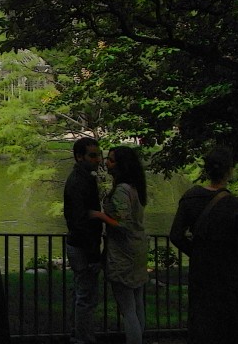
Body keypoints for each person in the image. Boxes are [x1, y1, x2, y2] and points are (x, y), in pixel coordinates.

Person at [169, 147, 238, 344]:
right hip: (231, 273)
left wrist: (197, 252)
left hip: (202, 270)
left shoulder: (190, 199)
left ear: (206, 170)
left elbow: (176, 235)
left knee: (203, 318)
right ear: (229, 171)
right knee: (232, 322)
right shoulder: (237, 206)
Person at [91, 146, 148, 344]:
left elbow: (123, 224)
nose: (106, 162)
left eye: (111, 160)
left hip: (124, 254)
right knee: (137, 304)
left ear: (122, 165)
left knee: (128, 309)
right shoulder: (135, 187)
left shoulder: (122, 190)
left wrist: (99, 215)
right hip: (137, 249)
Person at [63, 137, 104, 344]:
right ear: (80, 157)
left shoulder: (82, 179)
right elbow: (80, 220)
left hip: (80, 243)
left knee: (81, 294)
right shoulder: (80, 182)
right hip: (82, 246)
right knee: (86, 297)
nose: (98, 160)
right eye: (93, 155)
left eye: (99, 155)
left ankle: (77, 334)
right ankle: (83, 338)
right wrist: (93, 253)